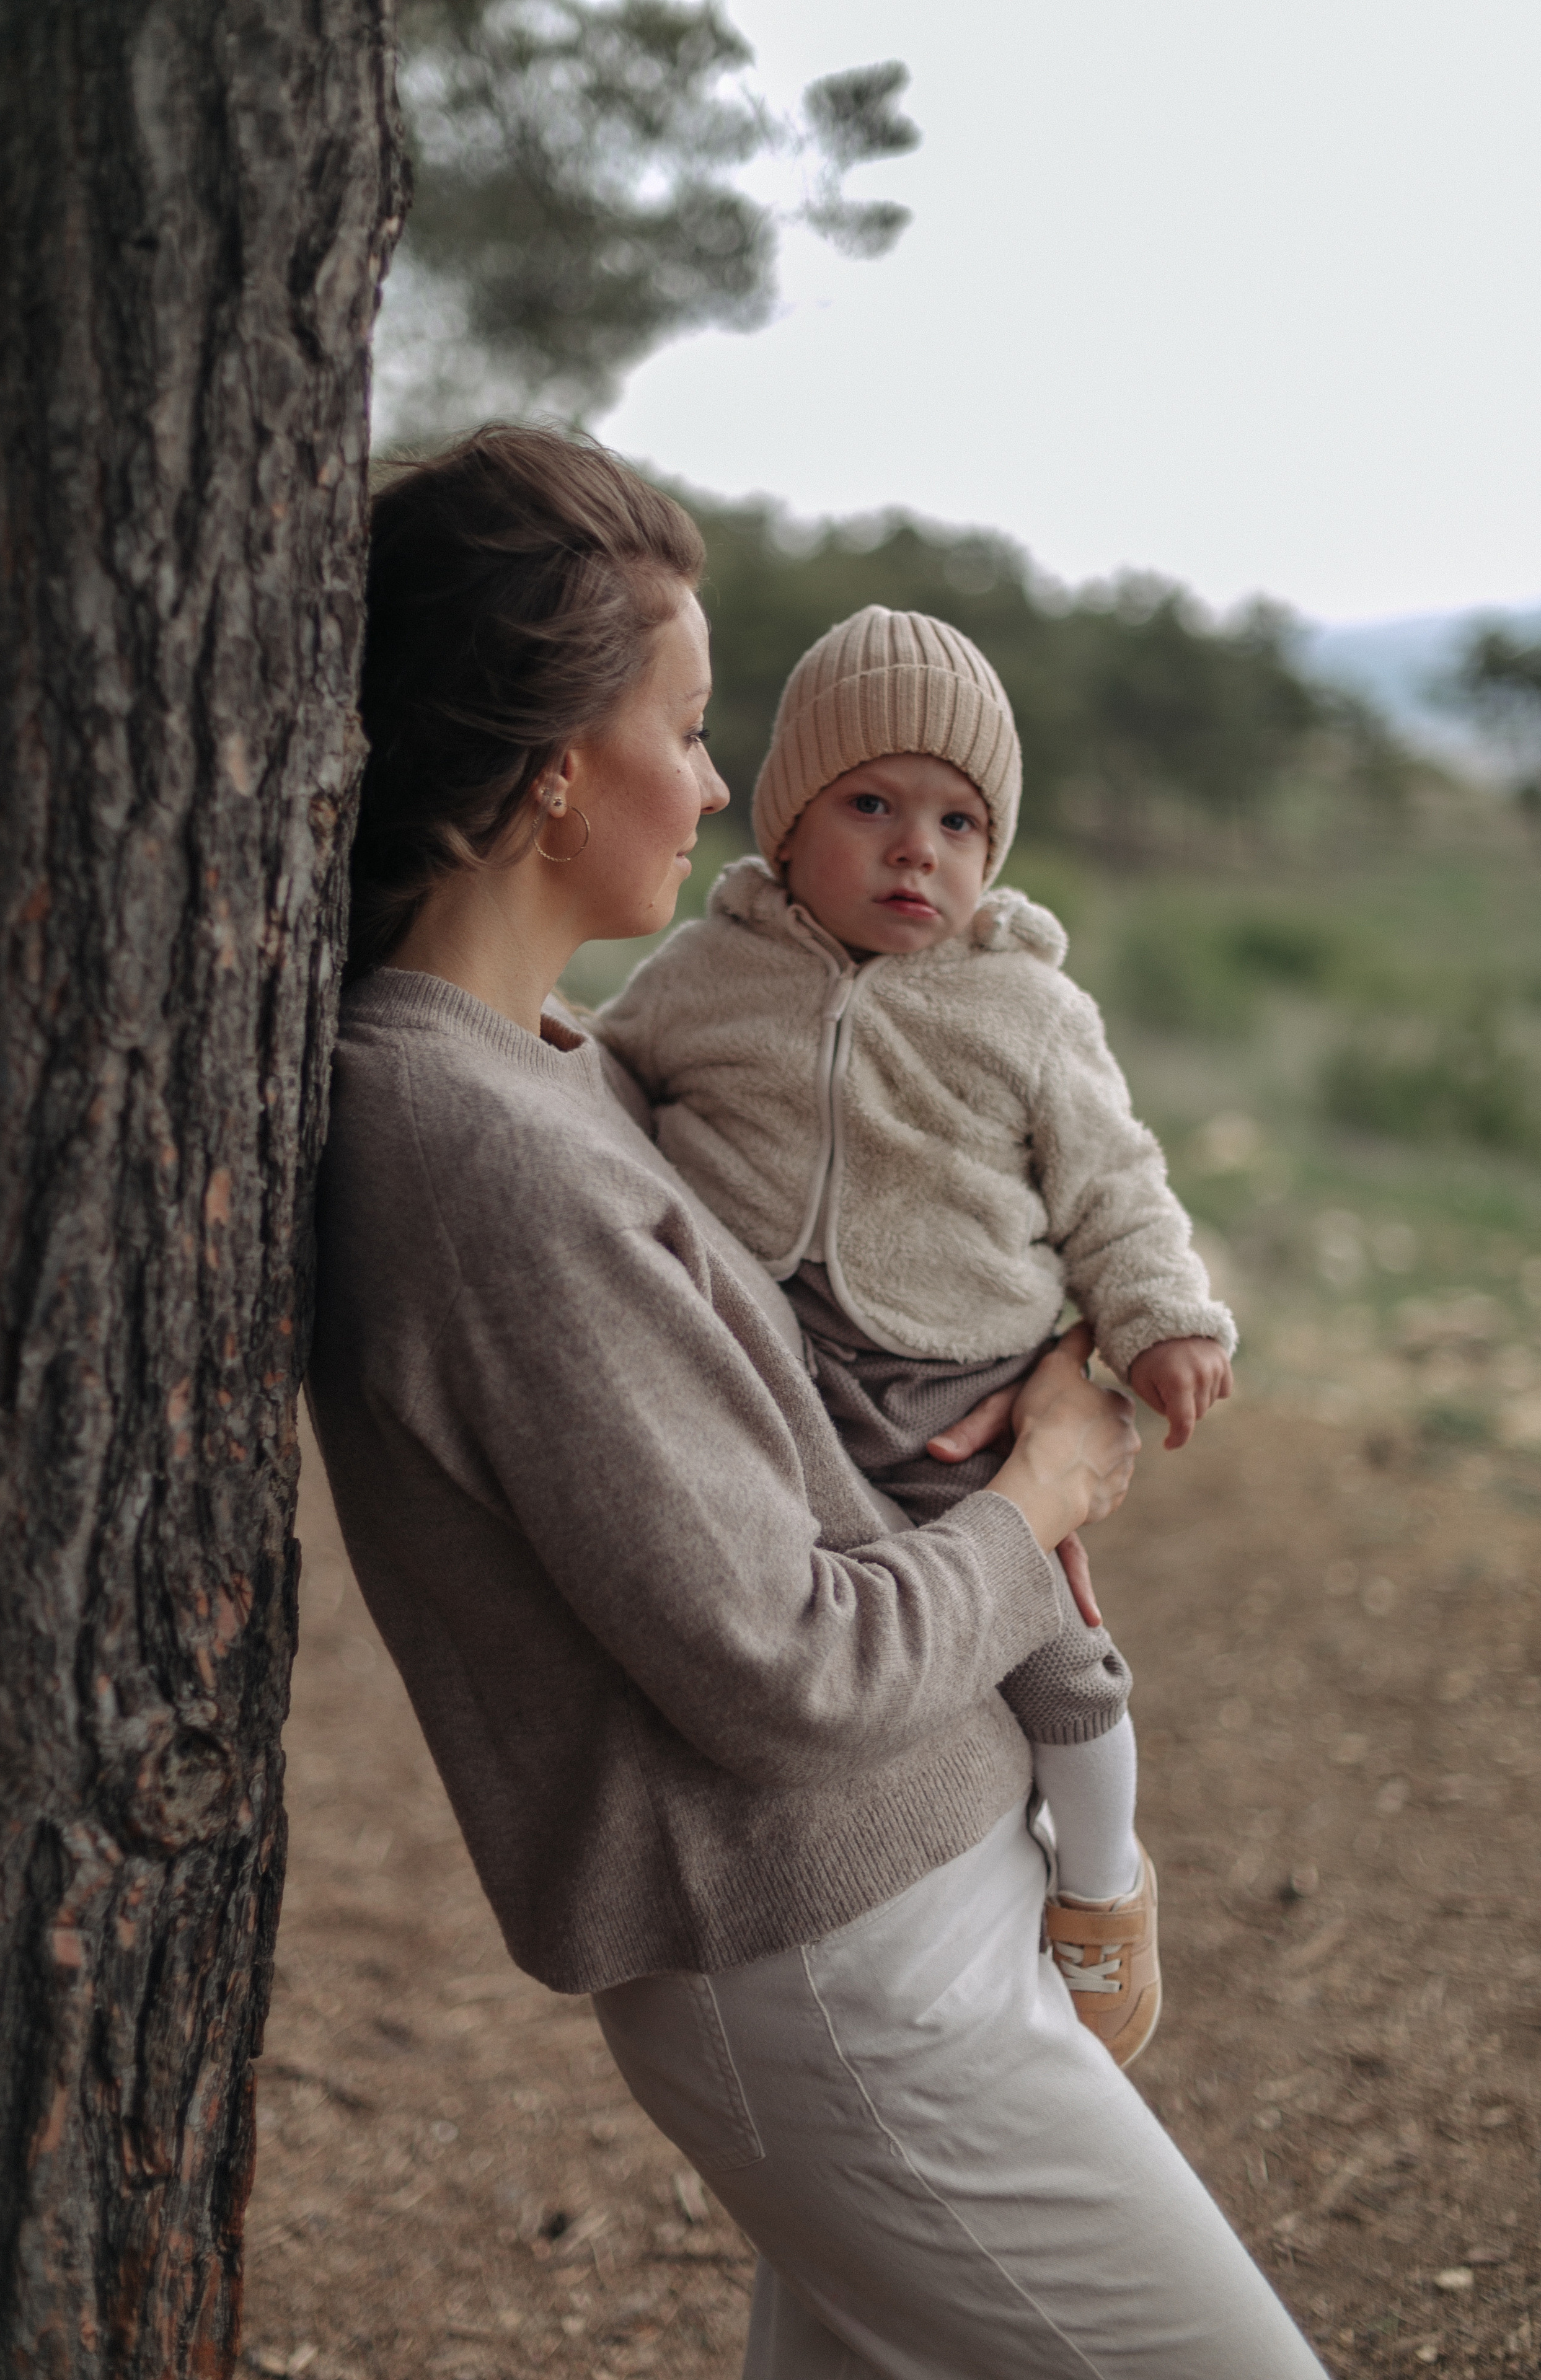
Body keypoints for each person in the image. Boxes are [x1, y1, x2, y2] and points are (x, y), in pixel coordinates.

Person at [308, 421, 1327, 2379]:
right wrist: (1045, 1487)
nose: (713, 785)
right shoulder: (461, 1142)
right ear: (544, 765)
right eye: (687, 728)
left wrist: (1049, 1344)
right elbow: (777, 1665)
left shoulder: (563, 1070)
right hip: (845, 1969)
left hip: (906, 1909)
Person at [594, 605, 1235, 2061]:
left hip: (964, 1380)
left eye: (956, 821)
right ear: (785, 822)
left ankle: (1099, 1883)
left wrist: (1156, 1321)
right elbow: (609, 1071)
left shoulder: (1025, 1008)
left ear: (991, 850)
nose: (913, 850)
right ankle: (890, 1867)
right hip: (777, 1367)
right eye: (869, 807)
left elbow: (1114, 1186)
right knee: (816, 1627)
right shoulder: (710, 972)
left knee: (1053, 1657)